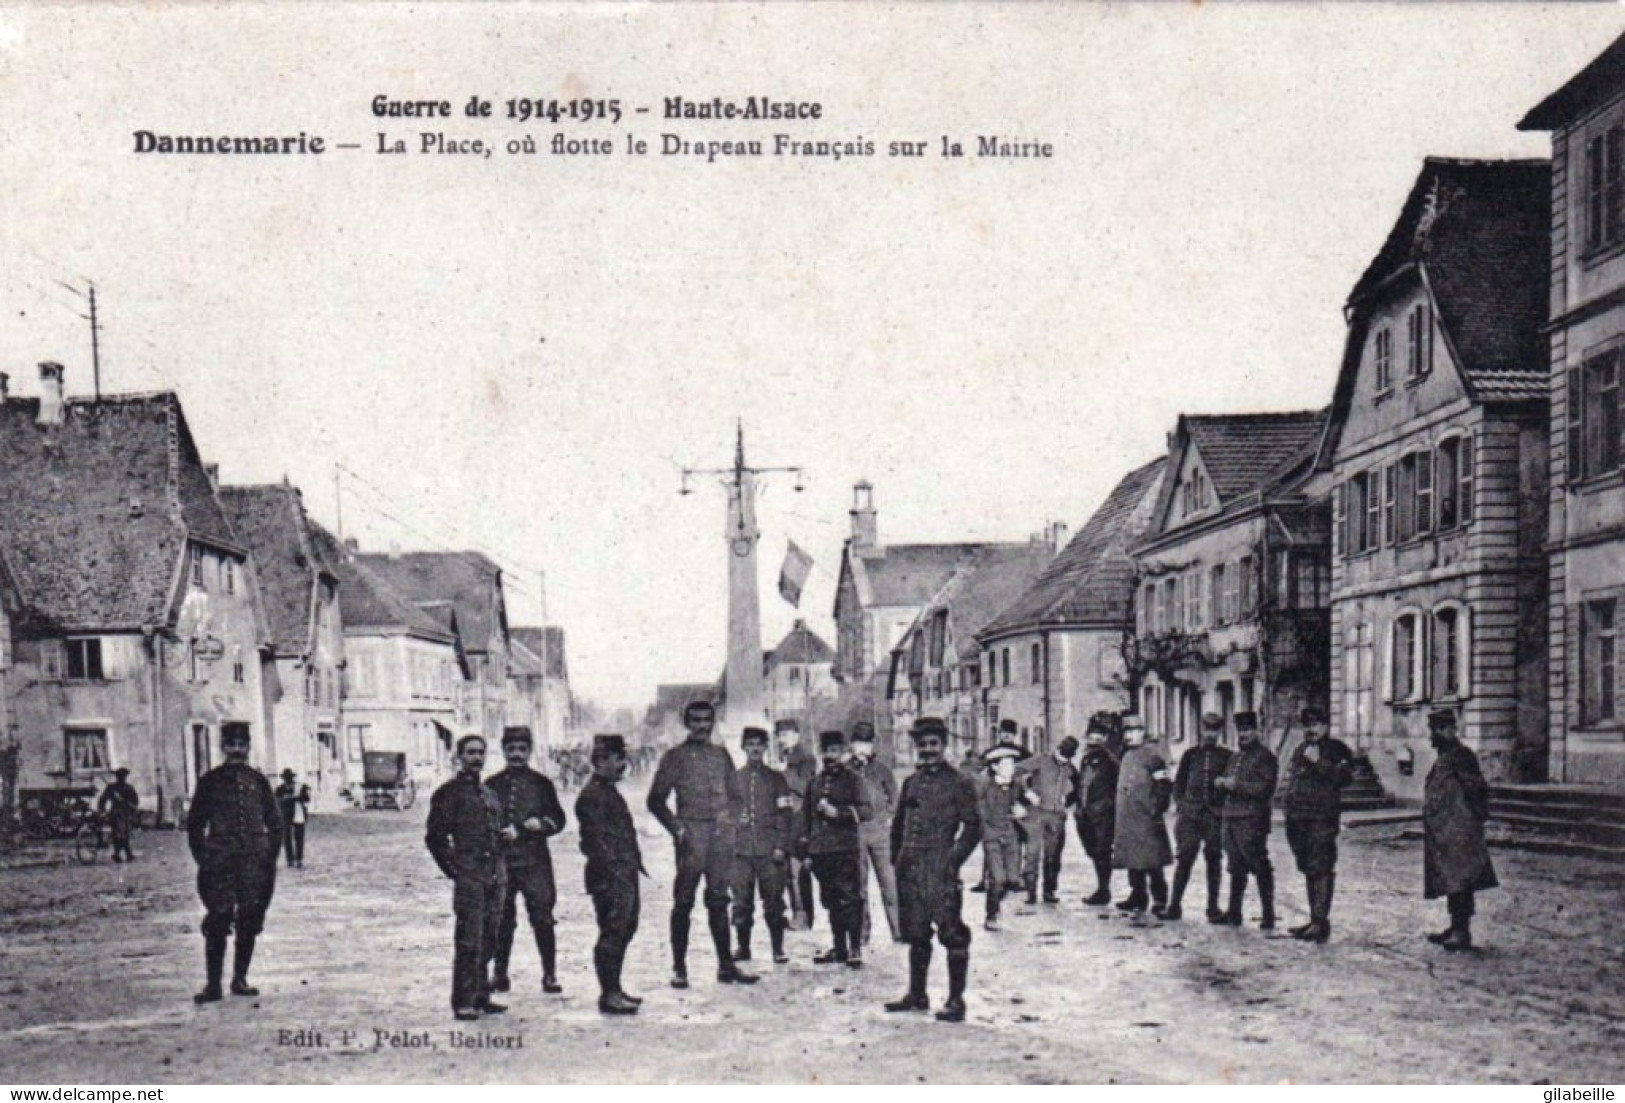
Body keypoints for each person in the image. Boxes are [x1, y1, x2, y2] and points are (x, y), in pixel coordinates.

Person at [647, 700, 757, 988]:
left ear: (713, 722)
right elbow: (655, 800)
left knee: (719, 900)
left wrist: (730, 823)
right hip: (691, 838)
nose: (701, 726)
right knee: (683, 901)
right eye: (695, 720)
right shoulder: (675, 757)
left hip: (720, 838)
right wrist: (677, 829)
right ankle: (679, 968)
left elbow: (736, 797)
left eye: (706, 720)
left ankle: (725, 965)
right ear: (687, 723)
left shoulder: (721, 756)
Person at [885, 716, 982, 1023]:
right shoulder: (911, 782)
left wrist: (952, 861)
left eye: (933, 744)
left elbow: (973, 826)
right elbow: (899, 823)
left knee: (952, 933)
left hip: (940, 869)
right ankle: (917, 994)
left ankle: (956, 1001)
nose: (927, 750)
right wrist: (896, 858)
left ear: (943, 745)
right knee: (916, 933)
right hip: (911, 869)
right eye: (922, 745)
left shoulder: (959, 782)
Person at [186, 727, 281, 1004]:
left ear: (249, 747)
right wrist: (204, 858)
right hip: (220, 861)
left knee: (249, 918)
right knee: (219, 916)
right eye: (231, 745)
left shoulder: (258, 781)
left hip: (254, 861)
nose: (237, 750)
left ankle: (240, 979)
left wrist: (268, 857)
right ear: (223, 747)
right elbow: (195, 825)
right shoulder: (210, 782)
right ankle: (213, 985)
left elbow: (275, 823)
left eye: (242, 744)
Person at [425, 734, 508, 1021]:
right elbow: (435, 837)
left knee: (490, 937)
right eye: (470, 753)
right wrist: (455, 870)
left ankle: (481, 996)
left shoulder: (488, 793)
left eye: (481, 753)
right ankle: (463, 1000)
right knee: (469, 940)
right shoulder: (449, 793)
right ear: (458, 757)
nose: (476, 758)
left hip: (496, 876)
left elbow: (492, 829)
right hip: (470, 876)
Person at [485, 726, 567, 994]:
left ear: (530, 751)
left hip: (535, 863)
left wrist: (542, 824)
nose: (516, 755)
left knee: (542, 918)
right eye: (511, 749)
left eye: (522, 749)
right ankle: (500, 974)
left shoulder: (542, 784)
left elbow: (559, 819)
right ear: (503, 750)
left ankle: (550, 974)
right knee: (502, 919)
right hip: (503, 863)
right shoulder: (491, 785)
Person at [576, 734, 645, 1014]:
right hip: (609, 876)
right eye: (618, 759)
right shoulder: (593, 796)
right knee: (613, 931)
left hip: (622, 873)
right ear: (600, 761)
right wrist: (615, 870)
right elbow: (595, 842)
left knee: (625, 928)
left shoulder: (607, 791)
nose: (623, 765)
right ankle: (609, 994)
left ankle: (615, 988)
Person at [1422, 708, 1498, 952]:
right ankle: (1455, 925)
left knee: (1460, 880)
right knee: (1451, 880)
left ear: (1449, 730)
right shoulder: (1446, 755)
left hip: (1459, 830)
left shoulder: (1462, 755)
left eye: (1436, 730)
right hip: (1445, 831)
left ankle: (1461, 931)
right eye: (1433, 729)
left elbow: (1476, 789)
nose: (1432, 735)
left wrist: (1472, 822)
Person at [797, 729, 872, 966]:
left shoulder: (854, 780)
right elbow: (807, 820)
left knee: (850, 899)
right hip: (821, 852)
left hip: (845, 849)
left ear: (843, 752)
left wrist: (838, 813)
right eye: (826, 751)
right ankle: (838, 948)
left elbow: (867, 811)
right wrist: (807, 852)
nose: (830, 756)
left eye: (835, 751)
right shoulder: (815, 783)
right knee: (830, 900)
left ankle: (855, 948)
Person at [1282, 705, 1354, 942]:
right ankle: (1314, 919)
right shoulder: (1300, 749)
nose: (1310, 730)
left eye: (1315, 725)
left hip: (1322, 819)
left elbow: (1344, 779)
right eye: (1307, 725)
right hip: (1299, 820)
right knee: (1308, 867)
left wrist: (1319, 762)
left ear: (1325, 726)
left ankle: (1321, 922)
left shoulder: (1337, 750)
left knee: (1321, 867)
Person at [731, 726, 794, 965]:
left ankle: (778, 948)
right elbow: (724, 814)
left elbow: (785, 815)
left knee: (774, 902)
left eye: (759, 744)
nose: (755, 749)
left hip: (770, 851)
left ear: (766, 747)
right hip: (741, 852)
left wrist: (781, 845)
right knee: (741, 901)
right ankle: (743, 947)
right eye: (750, 745)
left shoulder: (777, 779)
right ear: (743, 748)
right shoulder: (734, 779)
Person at [1158, 713, 1231, 921]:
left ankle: (1213, 908)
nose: (1210, 734)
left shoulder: (1226, 756)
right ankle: (1174, 905)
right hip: (1190, 817)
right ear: (1201, 730)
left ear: (1219, 732)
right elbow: (1179, 784)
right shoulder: (1190, 755)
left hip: (1214, 817)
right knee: (1184, 858)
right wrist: (1182, 805)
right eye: (1207, 730)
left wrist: (1221, 808)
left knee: (1214, 860)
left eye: (1214, 730)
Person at [1212, 711, 1279, 930]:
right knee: (1235, 867)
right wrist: (1220, 783)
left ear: (1257, 731)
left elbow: (1265, 789)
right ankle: (1234, 912)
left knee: (1260, 866)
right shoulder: (1235, 757)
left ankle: (1268, 914)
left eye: (1248, 730)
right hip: (1231, 818)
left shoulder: (1265, 757)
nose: (1243, 734)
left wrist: (1234, 785)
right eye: (1240, 730)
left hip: (1252, 820)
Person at [1111, 716, 1173, 913]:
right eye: (1126, 732)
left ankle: (1160, 898)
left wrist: (1155, 809)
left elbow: (1164, 785)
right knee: (1132, 858)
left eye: (1133, 732)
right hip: (1128, 817)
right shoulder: (1126, 756)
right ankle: (1137, 896)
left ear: (1142, 733)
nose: (1129, 736)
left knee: (1151, 859)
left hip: (1147, 817)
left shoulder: (1153, 756)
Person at [848, 722, 900, 944]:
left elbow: (895, 801)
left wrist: (886, 817)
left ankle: (899, 930)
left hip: (880, 833)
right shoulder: (845, 772)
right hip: (854, 833)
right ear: (851, 745)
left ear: (872, 746)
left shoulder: (882, 771)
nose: (862, 748)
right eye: (858, 743)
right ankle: (861, 933)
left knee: (890, 884)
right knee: (858, 886)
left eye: (866, 743)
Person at [1016, 735, 1078, 904]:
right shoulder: (1041, 760)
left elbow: (1076, 785)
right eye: (1061, 756)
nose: (1063, 761)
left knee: (1053, 855)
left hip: (1057, 816)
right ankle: (1030, 891)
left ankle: (1049, 891)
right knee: (1032, 854)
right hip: (1036, 814)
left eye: (1067, 758)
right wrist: (1026, 793)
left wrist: (1069, 798)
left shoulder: (1069, 767)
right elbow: (1016, 772)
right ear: (1057, 749)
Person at [974, 741, 1026, 930]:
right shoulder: (984, 786)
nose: (1011, 768)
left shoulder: (1016, 785)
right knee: (997, 878)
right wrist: (987, 833)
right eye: (1006, 764)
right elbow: (979, 813)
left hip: (1011, 835)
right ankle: (991, 914)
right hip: (992, 836)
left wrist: (1022, 810)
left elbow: (1023, 804)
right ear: (995, 767)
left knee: (1013, 879)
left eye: (1012, 764)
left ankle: (997, 902)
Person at [775, 718, 819, 930]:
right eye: (780, 735)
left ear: (797, 736)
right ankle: (795, 913)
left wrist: (784, 772)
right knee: (785, 873)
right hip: (783, 820)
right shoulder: (781, 758)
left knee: (798, 871)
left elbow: (807, 788)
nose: (782, 739)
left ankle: (804, 916)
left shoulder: (807, 759)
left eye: (787, 735)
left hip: (800, 820)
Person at [1074, 717, 1120, 906]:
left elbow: (1116, 788)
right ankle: (1102, 888)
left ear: (1104, 738)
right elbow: (1083, 783)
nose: (1094, 740)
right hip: (1085, 813)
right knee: (1092, 850)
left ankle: (1104, 889)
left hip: (1102, 815)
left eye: (1098, 737)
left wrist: (1106, 806)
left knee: (1102, 851)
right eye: (1091, 736)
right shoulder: (1085, 759)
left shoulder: (1110, 761)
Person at [98, 767, 140, 863]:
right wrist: (102, 810)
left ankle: (124, 854)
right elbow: (103, 799)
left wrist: (130, 805)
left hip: (126, 813)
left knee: (124, 834)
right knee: (120, 834)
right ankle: (121, 854)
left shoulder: (128, 788)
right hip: (116, 813)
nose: (121, 778)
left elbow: (135, 801)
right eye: (120, 776)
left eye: (123, 776)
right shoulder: (112, 788)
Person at [274, 769, 311, 869]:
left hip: (299, 814)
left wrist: (295, 798)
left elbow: (307, 799)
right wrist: (287, 799)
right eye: (286, 778)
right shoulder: (280, 789)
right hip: (286, 815)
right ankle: (290, 859)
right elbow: (277, 801)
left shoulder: (300, 787)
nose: (288, 780)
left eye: (289, 778)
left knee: (299, 837)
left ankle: (299, 858)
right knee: (287, 838)